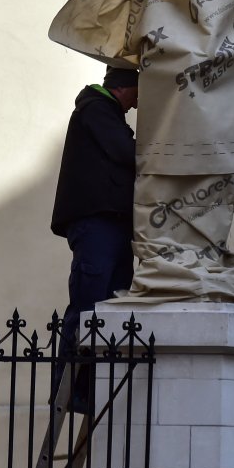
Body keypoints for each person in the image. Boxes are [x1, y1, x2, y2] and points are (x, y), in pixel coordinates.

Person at [50, 66, 139, 413]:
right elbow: (126, 153)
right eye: (137, 89)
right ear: (123, 87)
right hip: (97, 224)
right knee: (88, 305)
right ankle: (70, 388)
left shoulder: (106, 113)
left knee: (108, 307)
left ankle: (88, 386)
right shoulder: (97, 110)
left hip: (112, 224)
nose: (138, 100)